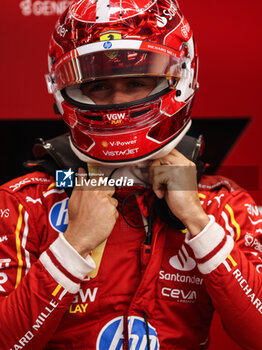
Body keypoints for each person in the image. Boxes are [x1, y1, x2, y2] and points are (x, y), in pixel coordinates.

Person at [0, 0, 262, 349]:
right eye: (98, 86)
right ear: (64, 90)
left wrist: (198, 222)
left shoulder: (225, 207)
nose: (116, 106)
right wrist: (73, 244)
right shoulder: (23, 203)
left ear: (182, 79)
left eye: (137, 82)